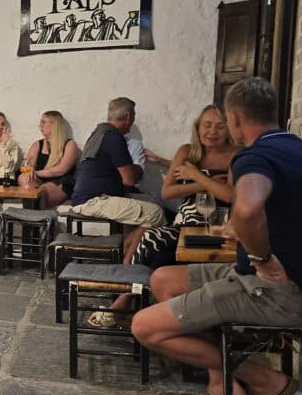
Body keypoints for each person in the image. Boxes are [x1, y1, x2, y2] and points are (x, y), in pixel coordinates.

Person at [132, 77, 302, 395]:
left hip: (283, 293)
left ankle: (264, 379)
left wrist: (261, 254)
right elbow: (288, 215)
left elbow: (247, 208)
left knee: (144, 327)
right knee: (163, 279)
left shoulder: (252, 157)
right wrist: (237, 230)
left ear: (236, 120)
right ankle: (223, 386)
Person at [88, 105, 237, 327]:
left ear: (230, 129)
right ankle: (132, 301)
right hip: (185, 226)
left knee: (162, 256)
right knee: (151, 239)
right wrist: (208, 183)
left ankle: (149, 312)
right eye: (207, 125)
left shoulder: (236, 156)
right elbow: (168, 191)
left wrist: (194, 175)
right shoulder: (187, 152)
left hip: (217, 231)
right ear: (198, 127)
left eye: (220, 126)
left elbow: (231, 195)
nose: (212, 131)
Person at [70, 97, 165, 251]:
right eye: (133, 115)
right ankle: (127, 262)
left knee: (150, 204)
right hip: (94, 200)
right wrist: (138, 168)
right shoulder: (114, 137)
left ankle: (126, 251)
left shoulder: (98, 133)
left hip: (89, 197)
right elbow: (129, 180)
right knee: (155, 213)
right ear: (128, 116)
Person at [18, 111, 79, 208]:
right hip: (39, 181)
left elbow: (60, 170)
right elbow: (29, 167)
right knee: (23, 178)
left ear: (54, 125)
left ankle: (34, 219)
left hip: (60, 182)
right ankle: (30, 217)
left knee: (42, 191)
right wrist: (28, 171)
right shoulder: (37, 145)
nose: (39, 126)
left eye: (43, 122)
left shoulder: (70, 145)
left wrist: (36, 173)